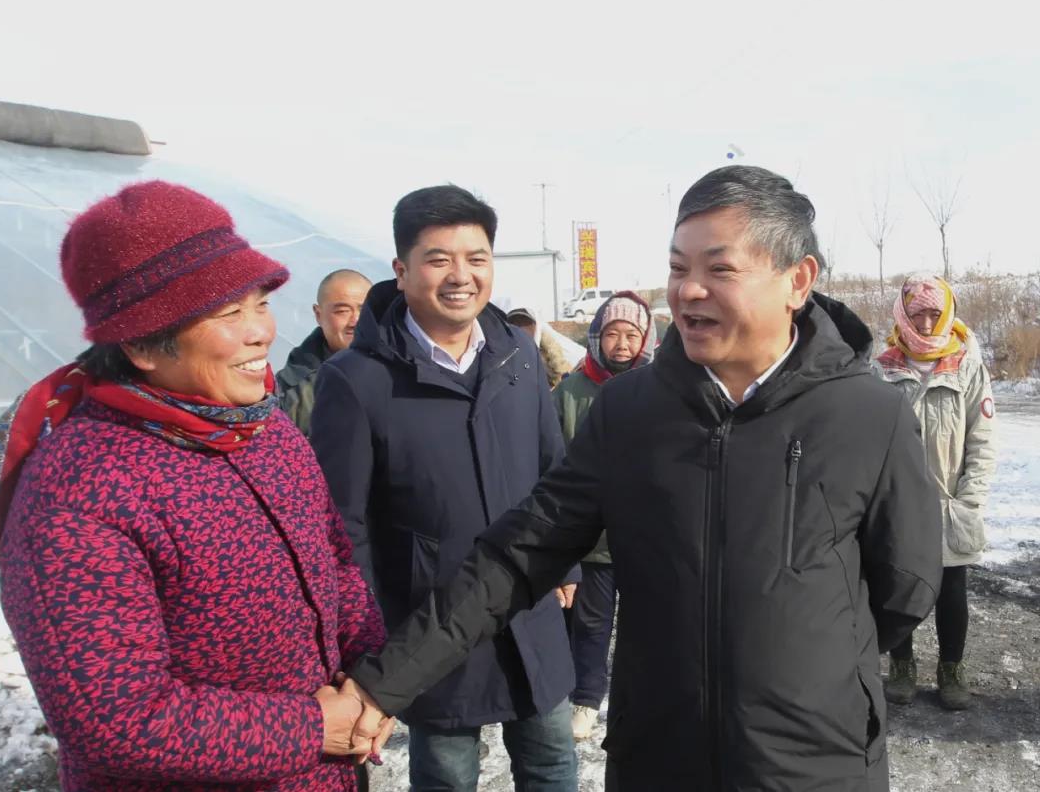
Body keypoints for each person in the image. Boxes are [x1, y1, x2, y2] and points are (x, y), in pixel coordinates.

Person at [339, 166, 945, 791]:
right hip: (658, 756)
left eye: (720, 269)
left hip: (816, 765)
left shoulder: (867, 415)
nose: (689, 290)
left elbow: (904, 587)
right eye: (679, 268)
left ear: (798, 280)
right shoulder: (629, 412)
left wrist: (800, 662)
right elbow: (515, 557)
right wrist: (381, 685)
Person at [0, 181, 386, 791]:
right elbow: (117, 721)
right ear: (141, 343)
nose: (261, 332)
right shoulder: (80, 491)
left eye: (261, 303)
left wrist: (369, 679)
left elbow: (336, 568)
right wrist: (315, 727)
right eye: (229, 313)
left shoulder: (266, 433)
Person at [310, 185, 580, 792]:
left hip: (527, 601)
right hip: (426, 619)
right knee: (448, 775)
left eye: (476, 258)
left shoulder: (518, 355)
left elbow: (553, 470)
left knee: (552, 762)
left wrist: (566, 565)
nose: (461, 276)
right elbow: (342, 526)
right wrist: (366, 631)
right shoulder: (357, 379)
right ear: (402, 271)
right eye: (439, 260)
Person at [876, 274, 996, 709]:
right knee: (897, 586)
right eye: (916, 314)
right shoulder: (882, 368)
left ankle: (951, 670)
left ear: (946, 314)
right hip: (898, 504)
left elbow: (982, 441)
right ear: (902, 314)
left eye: (933, 313)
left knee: (951, 590)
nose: (925, 323)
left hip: (950, 504)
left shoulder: (967, 366)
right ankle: (902, 666)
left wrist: (970, 500)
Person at [552, 291, 656, 741]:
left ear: (645, 339)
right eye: (613, 333)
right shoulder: (570, 392)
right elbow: (554, 460)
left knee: (645, 623)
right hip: (592, 539)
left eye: (631, 334)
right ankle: (587, 698)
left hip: (645, 537)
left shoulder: (660, 388)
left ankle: (643, 699)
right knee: (591, 625)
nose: (622, 343)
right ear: (597, 337)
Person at [277, 269, 372, 436]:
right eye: (342, 311)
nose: (355, 321)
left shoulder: (404, 368)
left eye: (364, 309)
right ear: (318, 315)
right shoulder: (291, 391)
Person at [506, 306, 573, 389]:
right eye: (514, 323)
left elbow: (562, 377)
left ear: (535, 327)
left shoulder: (551, 354)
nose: (520, 328)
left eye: (525, 322)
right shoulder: (503, 357)